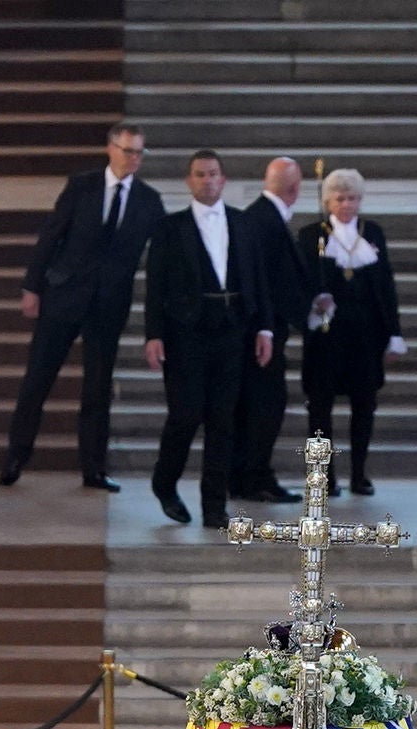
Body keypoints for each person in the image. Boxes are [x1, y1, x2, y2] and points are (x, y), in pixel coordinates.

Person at [3, 124, 164, 492]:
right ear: (110, 149)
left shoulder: (149, 201)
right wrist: (32, 286)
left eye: (139, 152)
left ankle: (93, 467)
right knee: (37, 380)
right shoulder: (81, 186)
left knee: (97, 388)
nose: (133, 158)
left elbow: (161, 257)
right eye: (127, 151)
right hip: (63, 296)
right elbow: (51, 235)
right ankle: (16, 455)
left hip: (108, 305)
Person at [146, 150, 276, 531]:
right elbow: (155, 287)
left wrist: (264, 328)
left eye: (213, 174)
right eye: (200, 175)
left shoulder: (243, 224)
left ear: (224, 179)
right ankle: (164, 483)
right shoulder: (170, 229)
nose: (207, 180)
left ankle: (214, 506)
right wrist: (153, 334)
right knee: (185, 416)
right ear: (189, 181)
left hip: (232, 332)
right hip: (186, 333)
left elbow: (258, 279)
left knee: (222, 422)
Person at [298, 168, 405, 499]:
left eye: (353, 198)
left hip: (365, 333)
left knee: (364, 404)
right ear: (327, 200)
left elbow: (385, 286)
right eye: (340, 198)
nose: (347, 204)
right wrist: (314, 303)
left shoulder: (372, 232)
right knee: (319, 407)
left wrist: (394, 333)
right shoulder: (310, 234)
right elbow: (301, 281)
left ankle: (360, 474)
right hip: (327, 335)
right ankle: (323, 476)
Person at [230, 156, 306, 501]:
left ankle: (244, 476)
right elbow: (271, 284)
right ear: (295, 189)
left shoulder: (255, 216)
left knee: (255, 408)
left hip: (257, 331)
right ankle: (255, 477)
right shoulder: (266, 222)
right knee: (265, 408)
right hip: (262, 334)